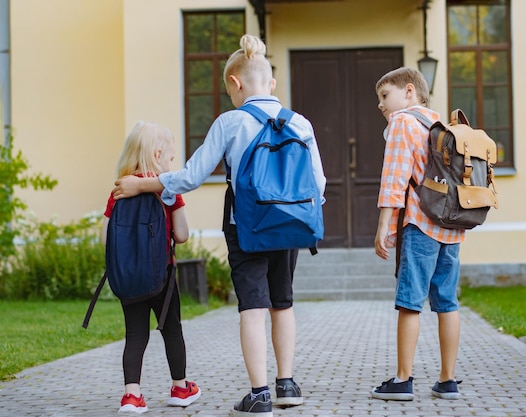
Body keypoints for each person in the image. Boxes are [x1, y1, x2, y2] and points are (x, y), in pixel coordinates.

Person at [112, 34, 326, 417]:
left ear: (234, 83)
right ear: (272, 84)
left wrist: (143, 184)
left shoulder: (231, 121)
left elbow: (191, 176)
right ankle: (287, 384)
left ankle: (259, 394)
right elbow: (318, 184)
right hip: (291, 225)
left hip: (246, 226)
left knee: (252, 307)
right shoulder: (301, 123)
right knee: (283, 303)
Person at [371, 67, 464, 401]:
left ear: (409, 91)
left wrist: (385, 226)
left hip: (421, 224)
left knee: (410, 302)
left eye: (385, 95)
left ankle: (403, 379)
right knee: (447, 302)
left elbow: (394, 180)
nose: (381, 105)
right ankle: (448, 380)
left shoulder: (402, 123)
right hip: (452, 227)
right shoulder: (439, 126)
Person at [103, 121, 201, 414]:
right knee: (171, 329)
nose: (172, 163)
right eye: (170, 157)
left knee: (135, 333)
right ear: (158, 154)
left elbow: (106, 237)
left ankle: (132, 396)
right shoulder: (168, 191)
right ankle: (181, 388)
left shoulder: (118, 191)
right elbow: (182, 236)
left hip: (128, 278)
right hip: (163, 275)